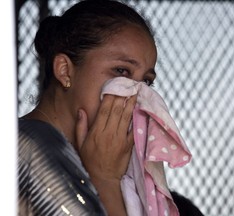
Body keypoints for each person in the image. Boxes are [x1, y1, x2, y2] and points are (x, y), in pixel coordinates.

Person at [18, 0, 192, 215]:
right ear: (64, 71)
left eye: (146, 81)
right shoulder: (22, 147)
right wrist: (104, 178)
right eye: (121, 71)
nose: (137, 94)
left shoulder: (125, 171)